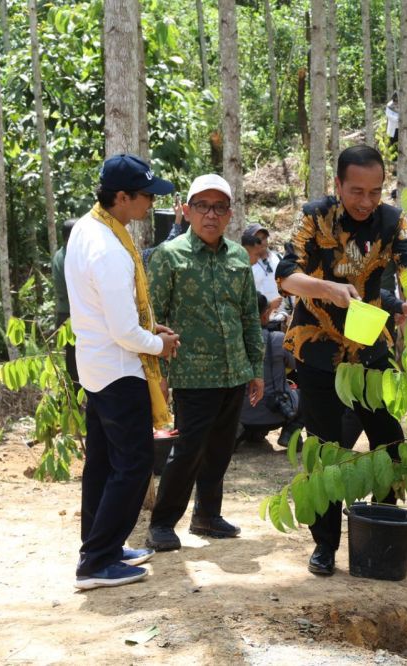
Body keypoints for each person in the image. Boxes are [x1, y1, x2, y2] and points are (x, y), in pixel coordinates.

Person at [276, 145, 407, 576]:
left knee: (389, 440)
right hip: (317, 348)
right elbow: (286, 276)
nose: (365, 202)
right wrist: (329, 290)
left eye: (375, 192)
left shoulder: (393, 220)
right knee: (325, 449)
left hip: (369, 347)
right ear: (337, 185)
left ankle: (385, 525)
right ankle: (325, 545)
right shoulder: (315, 216)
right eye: (356, 191)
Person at [65, 154, 180, 589]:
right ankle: (96, 562)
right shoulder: (110, 249)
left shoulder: (87, 229)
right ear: (122, 197)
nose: (152, 203)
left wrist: (149, 329)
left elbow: (112, 312)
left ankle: (100, 547)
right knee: (133, 464)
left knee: (102, 463)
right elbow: (122, 328)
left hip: (97, 364)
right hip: (119, 369)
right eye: (146, 196)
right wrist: (159, 343)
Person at [145, 174, 264, 551]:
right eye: (202, 206)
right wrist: (159, 375)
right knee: (187, 452)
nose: (210, 215)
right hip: (192, 374)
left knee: (220, 449)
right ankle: (163, 522)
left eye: (219, 207)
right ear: (188, 210)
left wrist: (256, 369)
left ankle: (207, 516)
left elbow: (248, 317)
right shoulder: (170, 256)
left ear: (229, 214)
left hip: (233, 371)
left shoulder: (238, 258)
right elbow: (153, 319)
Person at [238, 295, 301, 449]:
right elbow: (296, 364)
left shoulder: (235, 342)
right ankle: (290, 433)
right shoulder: (278, 339)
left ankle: (240, 433)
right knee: (306, 395)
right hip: (276, 413)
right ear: (265, 315)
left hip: (240, 415)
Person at [52, 218, 80, 385]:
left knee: (72, 364)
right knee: (76, 366)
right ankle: (73, 404)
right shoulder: (71, 256)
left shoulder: (60, 254)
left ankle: (72, 404)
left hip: (65, 315)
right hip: (72, 316)